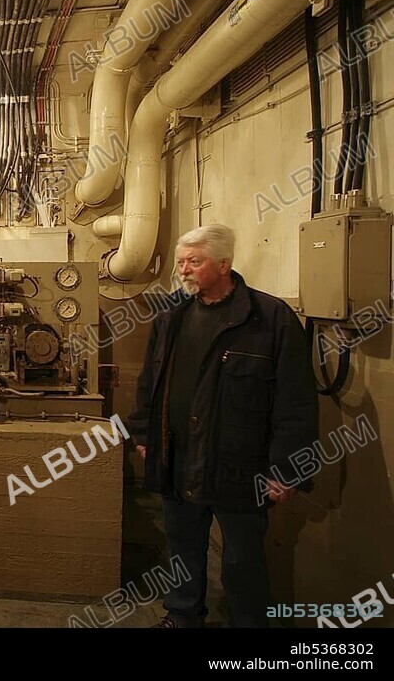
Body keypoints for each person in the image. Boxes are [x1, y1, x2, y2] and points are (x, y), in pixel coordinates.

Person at [128, 224, 317, 628]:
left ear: (224, 264)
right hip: (178, 458)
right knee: (183, 548)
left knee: (242, 558)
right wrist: (144, 435)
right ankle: (182, 616)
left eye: (194, 262)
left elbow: (296, 401)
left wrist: (288, 470)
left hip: (240, 467)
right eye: (182, 262)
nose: (184, 270)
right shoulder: (171, 317)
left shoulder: (269, 319)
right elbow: (150, 382)